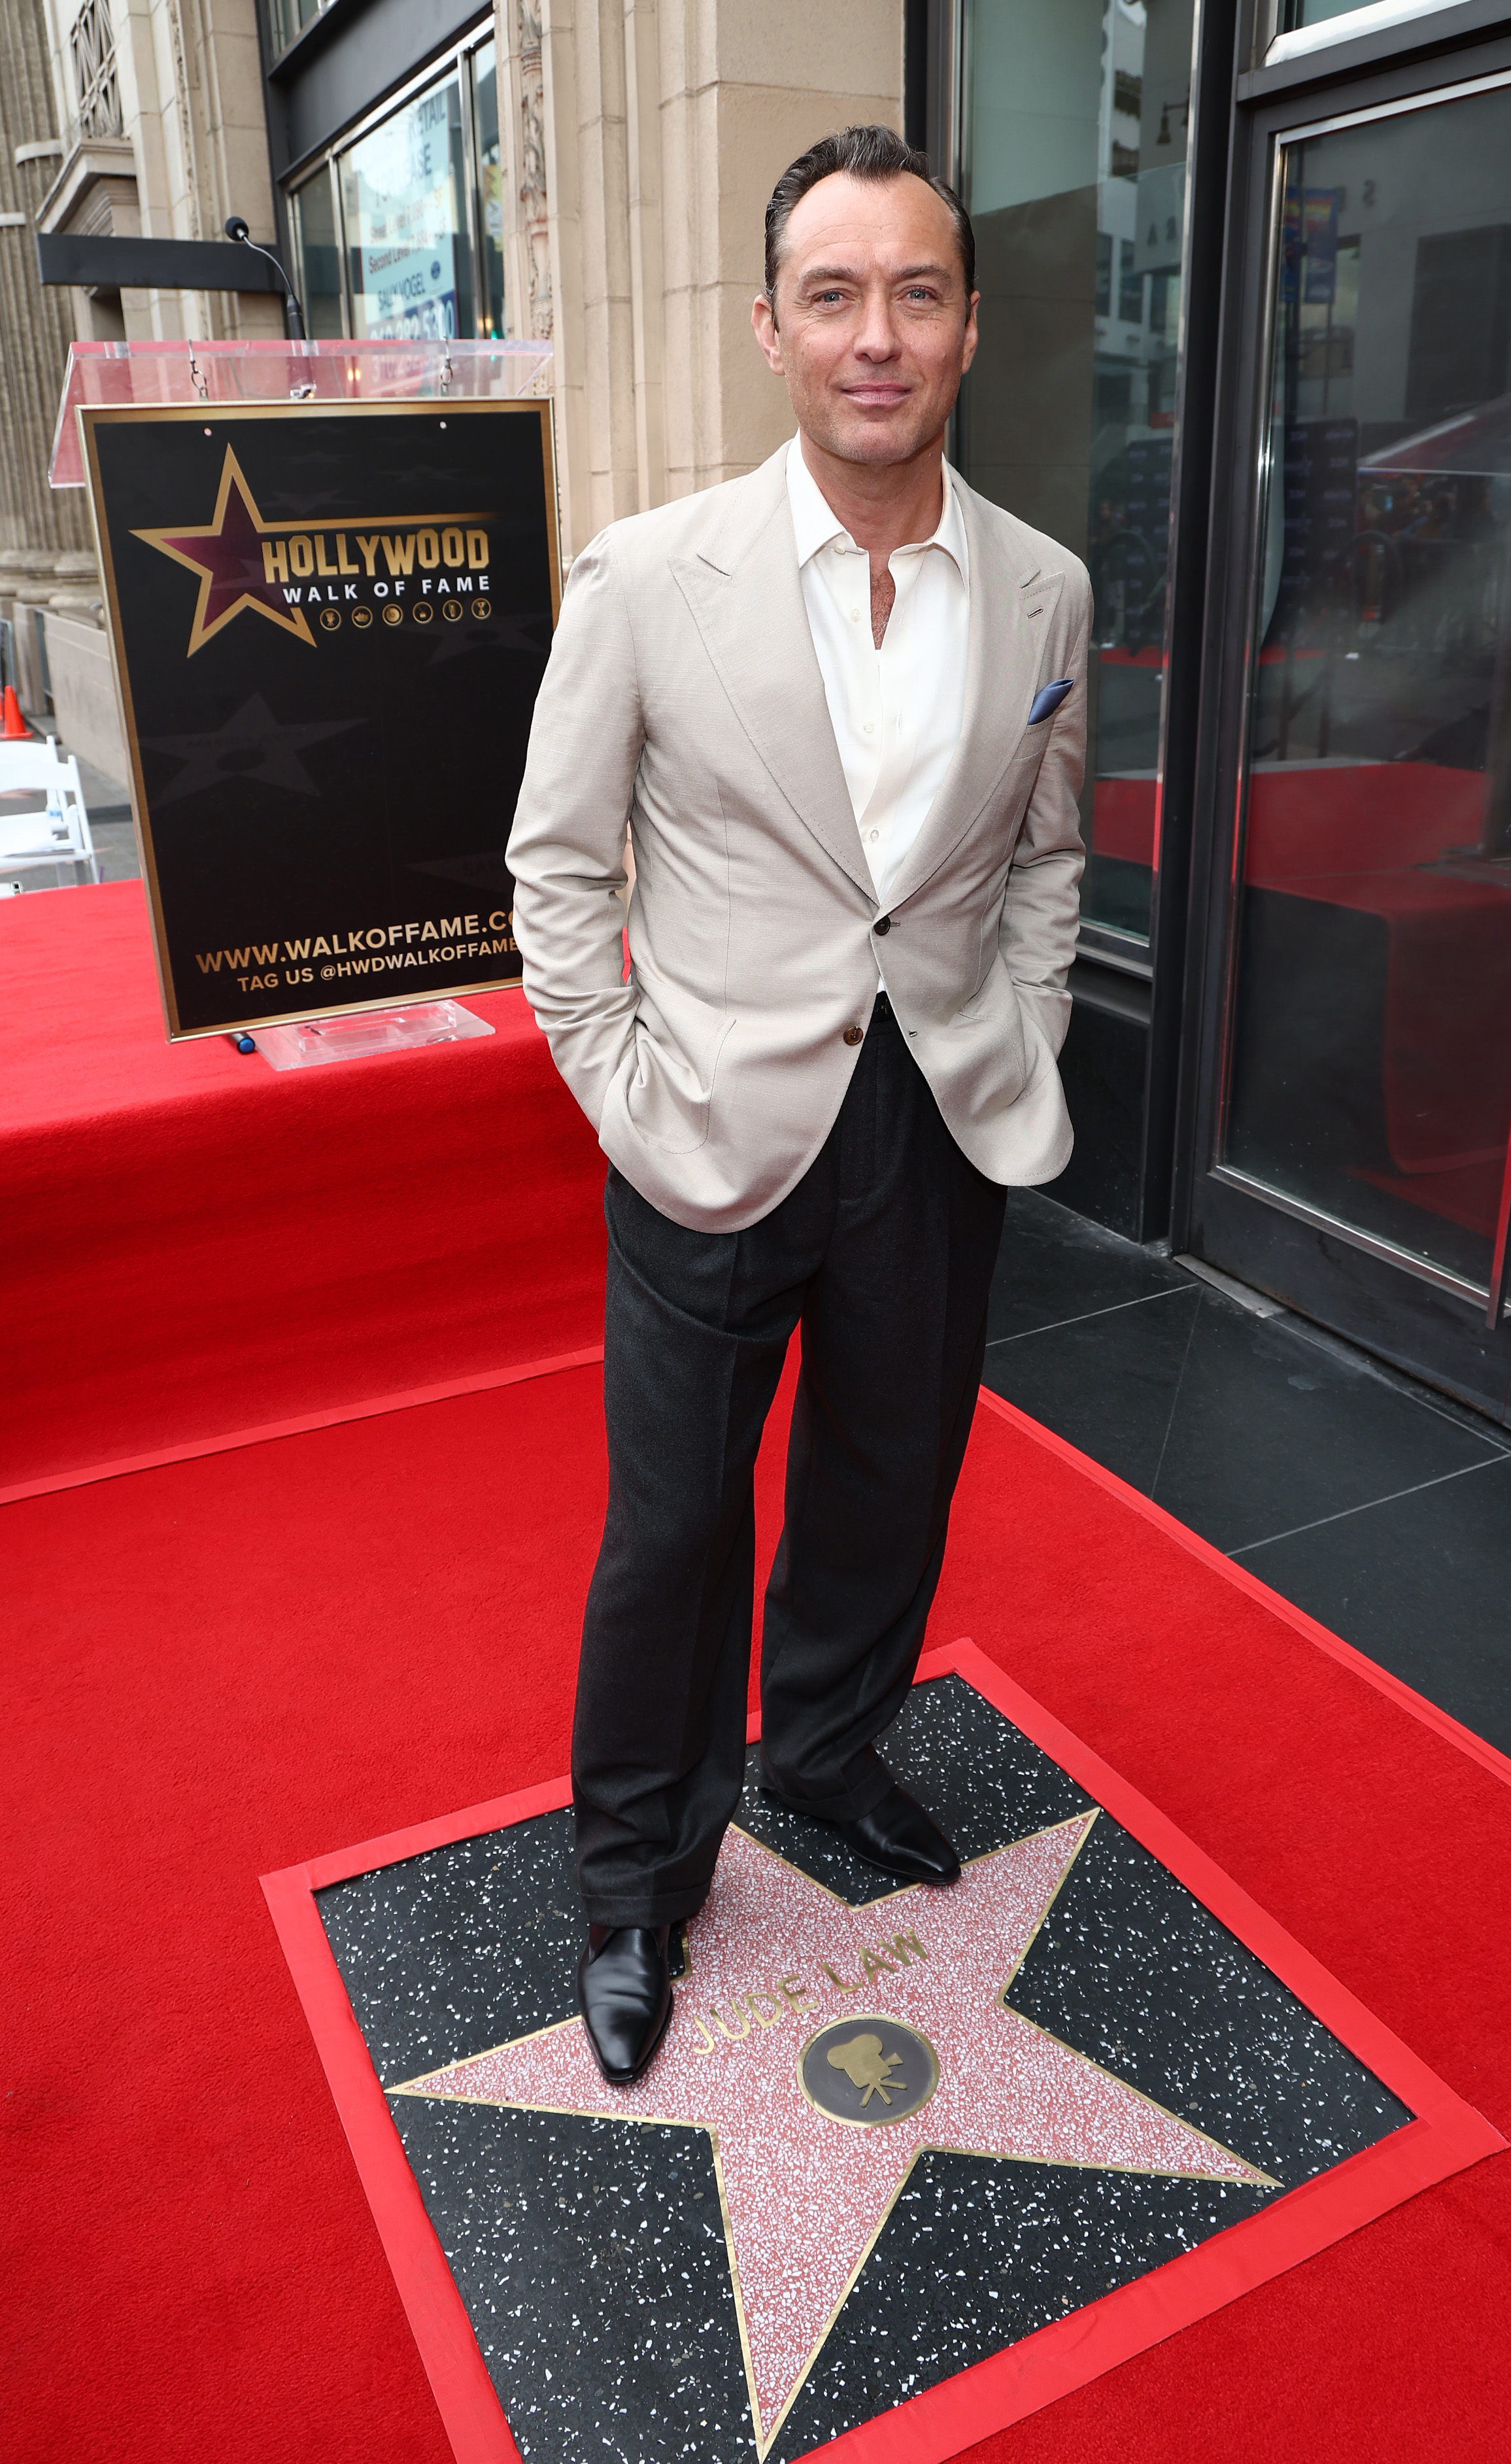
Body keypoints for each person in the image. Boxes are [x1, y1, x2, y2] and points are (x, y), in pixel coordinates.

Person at [507, 123, 1092, 2087]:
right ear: (772, 329)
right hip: (708, 1135)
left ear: (966, 328)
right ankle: (633, 1882)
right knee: (669, 1531)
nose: (876, 335)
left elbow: (1047, 856)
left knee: (885, 1488)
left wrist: (1016, 1021)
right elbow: (560, 871)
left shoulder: (1045, 591)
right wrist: (626, 1085)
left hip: (938, 1121)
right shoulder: (651, 576)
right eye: (833, 295)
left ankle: (827, 1763)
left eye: (914, 292)